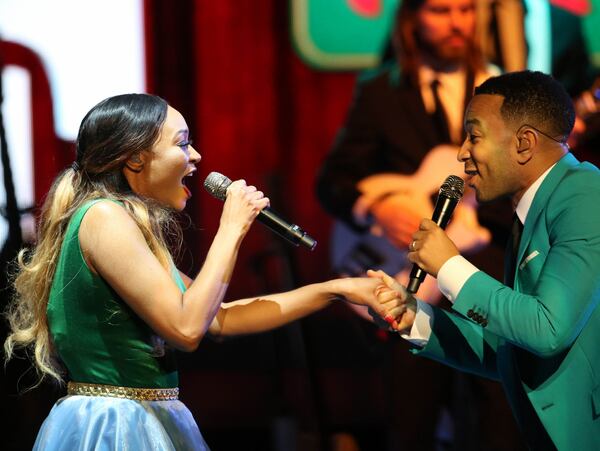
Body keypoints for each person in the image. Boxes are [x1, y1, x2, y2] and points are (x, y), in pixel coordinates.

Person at [3, 93, 401, 450]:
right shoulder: (104, 216)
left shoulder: (124, 222)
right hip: (115, 425)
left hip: (144, 415)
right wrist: (231, 228)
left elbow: (220, 317)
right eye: (181, 144)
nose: (195, 157)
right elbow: (186, 328)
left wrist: (334, 289)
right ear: (136, 157)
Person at [315, 0, 522, 449]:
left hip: (485, 260)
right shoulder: (380, 92)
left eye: (467, 10)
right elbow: (332, 182)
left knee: (500, 382)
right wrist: (376, 210)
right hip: (410, 269)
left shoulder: (505, 91)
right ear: (411, 20)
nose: (456, 23)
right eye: (441, 10)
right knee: (413, 392)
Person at [379, 70, 600, 450]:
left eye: (474, 135)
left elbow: (547, 330)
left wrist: (449, 266)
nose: (462, 151)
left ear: (524, 143)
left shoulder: (584, 194)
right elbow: (512, 349)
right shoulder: (532, 212)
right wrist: (414, 316)